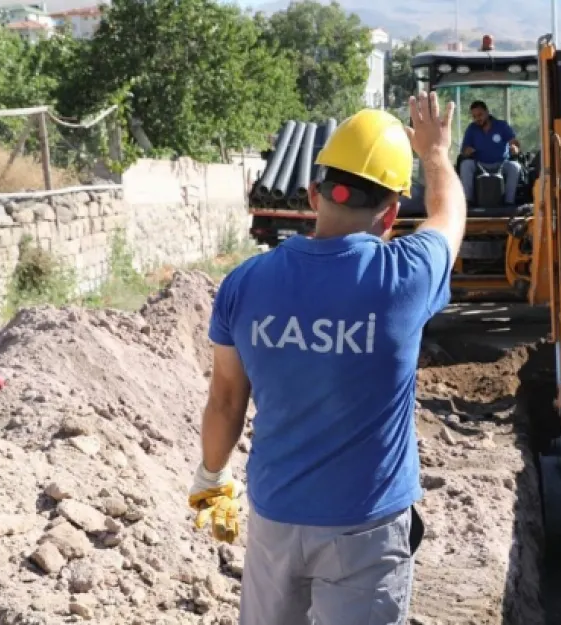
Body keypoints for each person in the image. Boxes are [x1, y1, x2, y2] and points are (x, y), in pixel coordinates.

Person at [187, 91, 466, 625]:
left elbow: (225, 400)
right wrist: (434, 153)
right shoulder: (403, 279)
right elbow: (449, 214)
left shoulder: (245, 283)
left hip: (274, 518)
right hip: (365, 530)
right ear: (389, 215)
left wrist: (210, 475)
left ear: (314, 194)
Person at [459, 100, 521, 206]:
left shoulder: (502, 125)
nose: (477, 119)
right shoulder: (471, 129)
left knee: (515, 166)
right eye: (474, 116)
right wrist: (467, 152)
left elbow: (515, 143)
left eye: (480, 115)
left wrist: (515, 148)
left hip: (501, 163)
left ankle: (509, 203)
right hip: (479, 164)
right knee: (465, 165)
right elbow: (464, 152)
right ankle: (467, 202)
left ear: (487, 112)